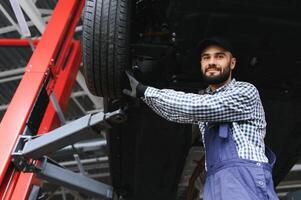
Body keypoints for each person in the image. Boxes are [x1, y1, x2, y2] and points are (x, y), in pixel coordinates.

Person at [123, 36, 279, 200]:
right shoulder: (205, 100)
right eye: (206, 58)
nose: (212, 62)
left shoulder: (246, 92)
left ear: (232, 63)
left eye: (219, 56)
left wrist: (144, 91)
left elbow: (197, 106)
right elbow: (176, 113)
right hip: (214, 180)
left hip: (243, 176)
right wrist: (143, 95)